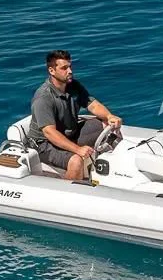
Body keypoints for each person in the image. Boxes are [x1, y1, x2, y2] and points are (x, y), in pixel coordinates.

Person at [29, 50, 121, 182]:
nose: (70, 71)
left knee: (107, 124)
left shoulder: (73, 86)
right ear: (51, 71)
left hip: (69, 134)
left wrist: (110, 116)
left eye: (70, 67)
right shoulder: (43, 97)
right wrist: (78, 149)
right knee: (76, 161)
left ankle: (114, 171)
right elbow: (49, 133)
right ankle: (68, 194)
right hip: (43, 145)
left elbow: (93, 105)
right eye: (64, 68)